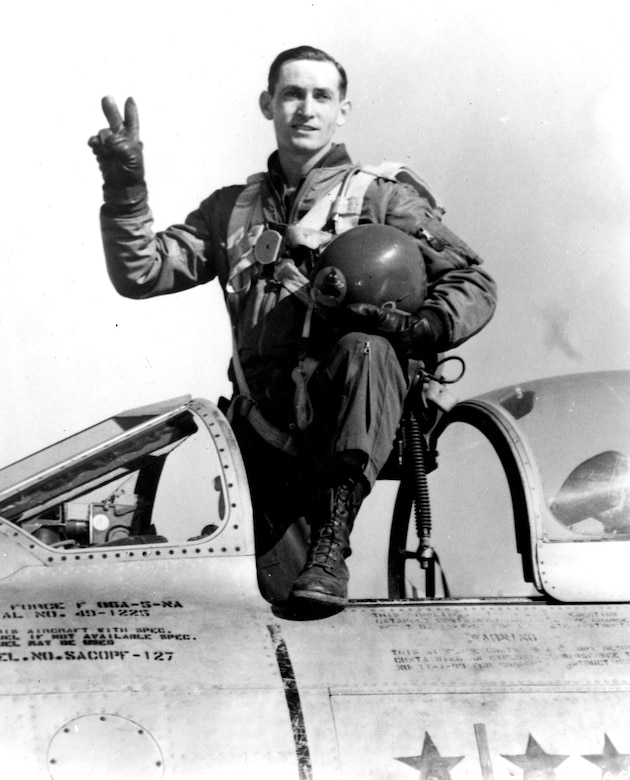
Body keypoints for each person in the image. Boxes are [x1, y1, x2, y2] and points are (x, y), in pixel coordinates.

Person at [88, 45, 497, 611]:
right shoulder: (230, 211)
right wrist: (124, 186)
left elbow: (473, 283)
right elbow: (143, 272)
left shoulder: (383, 199)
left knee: (367, 349)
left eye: (321, 96)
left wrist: (421, 329)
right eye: (292, 94)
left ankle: (335, 539)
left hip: (345, 415)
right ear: (268, 104)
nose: (306, 108)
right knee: (281, 612)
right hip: (265, 438)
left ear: (342, 111)